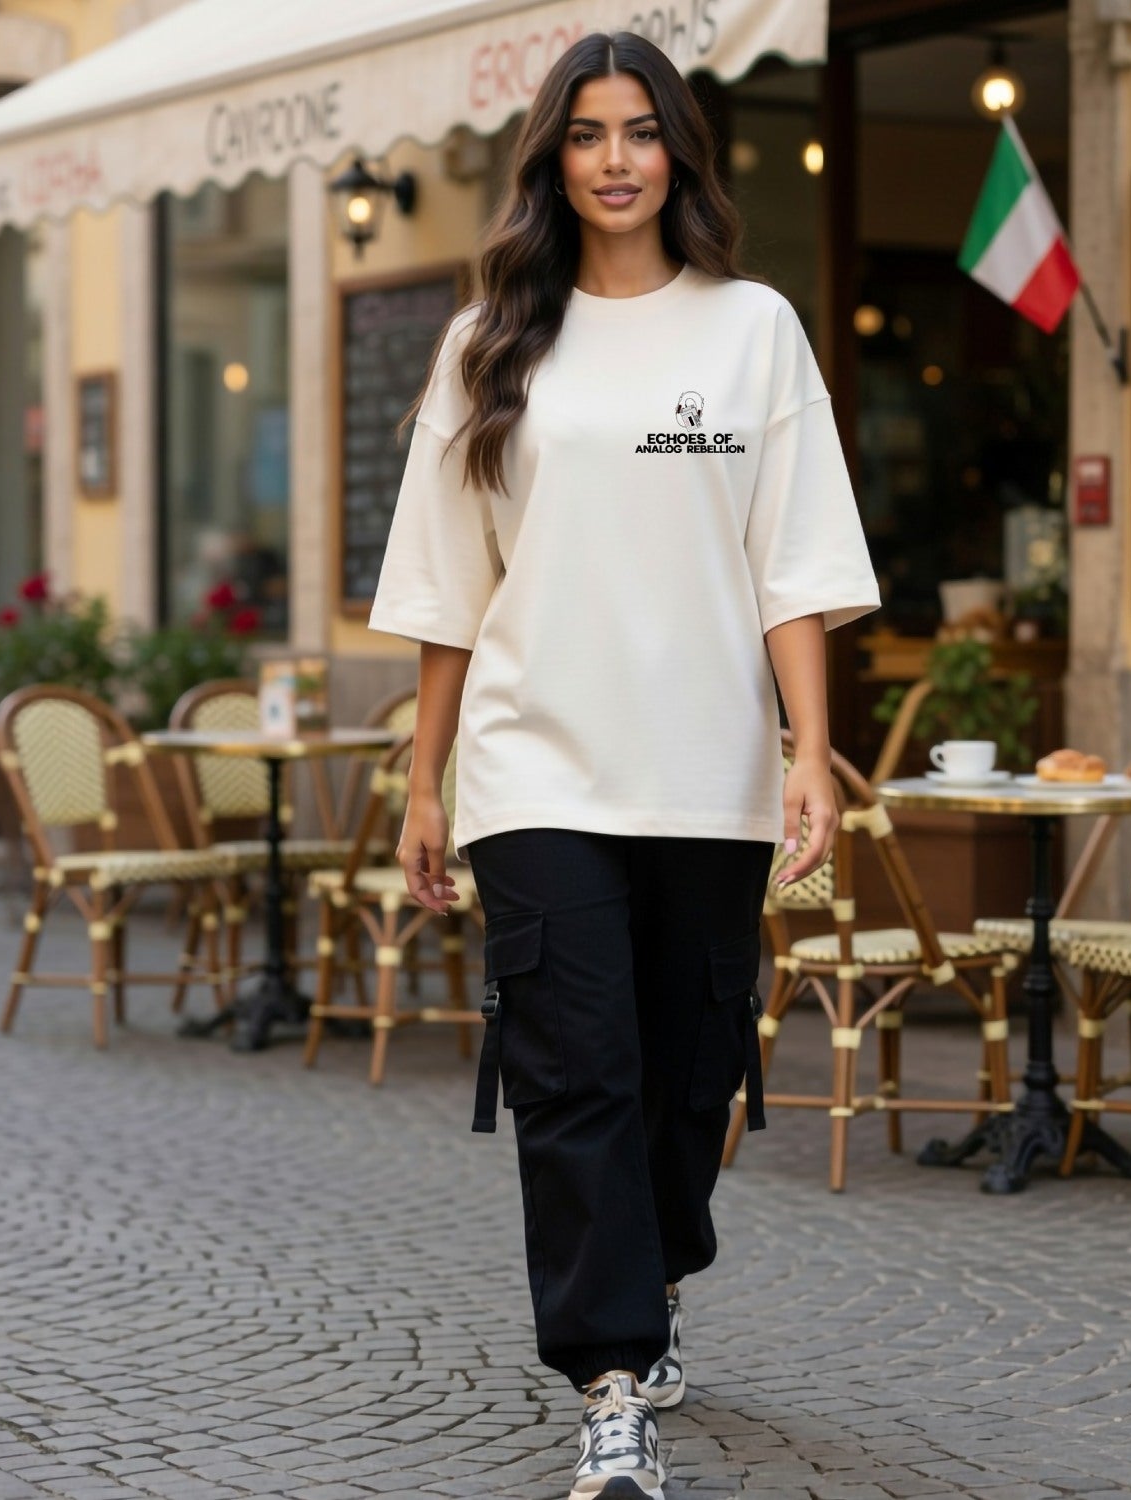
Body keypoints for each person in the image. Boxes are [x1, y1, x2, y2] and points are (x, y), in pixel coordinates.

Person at [368, 30, 881, 1500]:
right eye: (585, 133)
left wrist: (810, 751)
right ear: (551, 157)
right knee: (574, 1072)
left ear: (679, 153)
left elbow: (791, 563)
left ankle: (652, 1278)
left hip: (705, 770)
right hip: (536, 774)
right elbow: (446, 587)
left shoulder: (754, 330)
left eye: (639, 131)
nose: (612, 159)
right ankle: (607, 1381)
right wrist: (426, 779)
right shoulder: (491, 344)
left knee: (685, 1073)